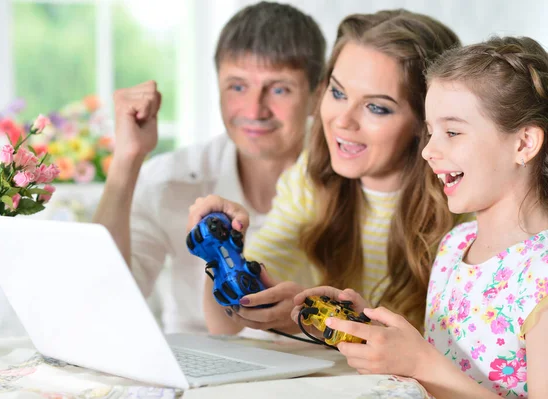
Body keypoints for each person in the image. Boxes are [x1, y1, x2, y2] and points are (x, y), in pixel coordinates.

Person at [294, 36, 548, 399]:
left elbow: (431, 366)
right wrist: (371, 329)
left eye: (453, 132)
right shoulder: (455, 245)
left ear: (524, 144)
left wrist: (419, 363)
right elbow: (454, 361)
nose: (428, 151)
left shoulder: (542, 275)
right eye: (430, 132)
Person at [188, 9, 468, 335]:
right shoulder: (308, 184)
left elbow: (457, 359)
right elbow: (226, 325)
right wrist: (226, 254)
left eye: (376, 107)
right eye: (337, 93)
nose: (343, 121)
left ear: (426, 122)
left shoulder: (467, 207)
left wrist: (314, 318)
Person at [93, 2, 326, 334]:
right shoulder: (170, 179)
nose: (255, 110)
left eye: (279, 89)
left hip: (311, 369)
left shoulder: (347, 181)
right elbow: (106, 299)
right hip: (199, 364)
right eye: (238, 86)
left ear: (318, 95)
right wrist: (127, 158)